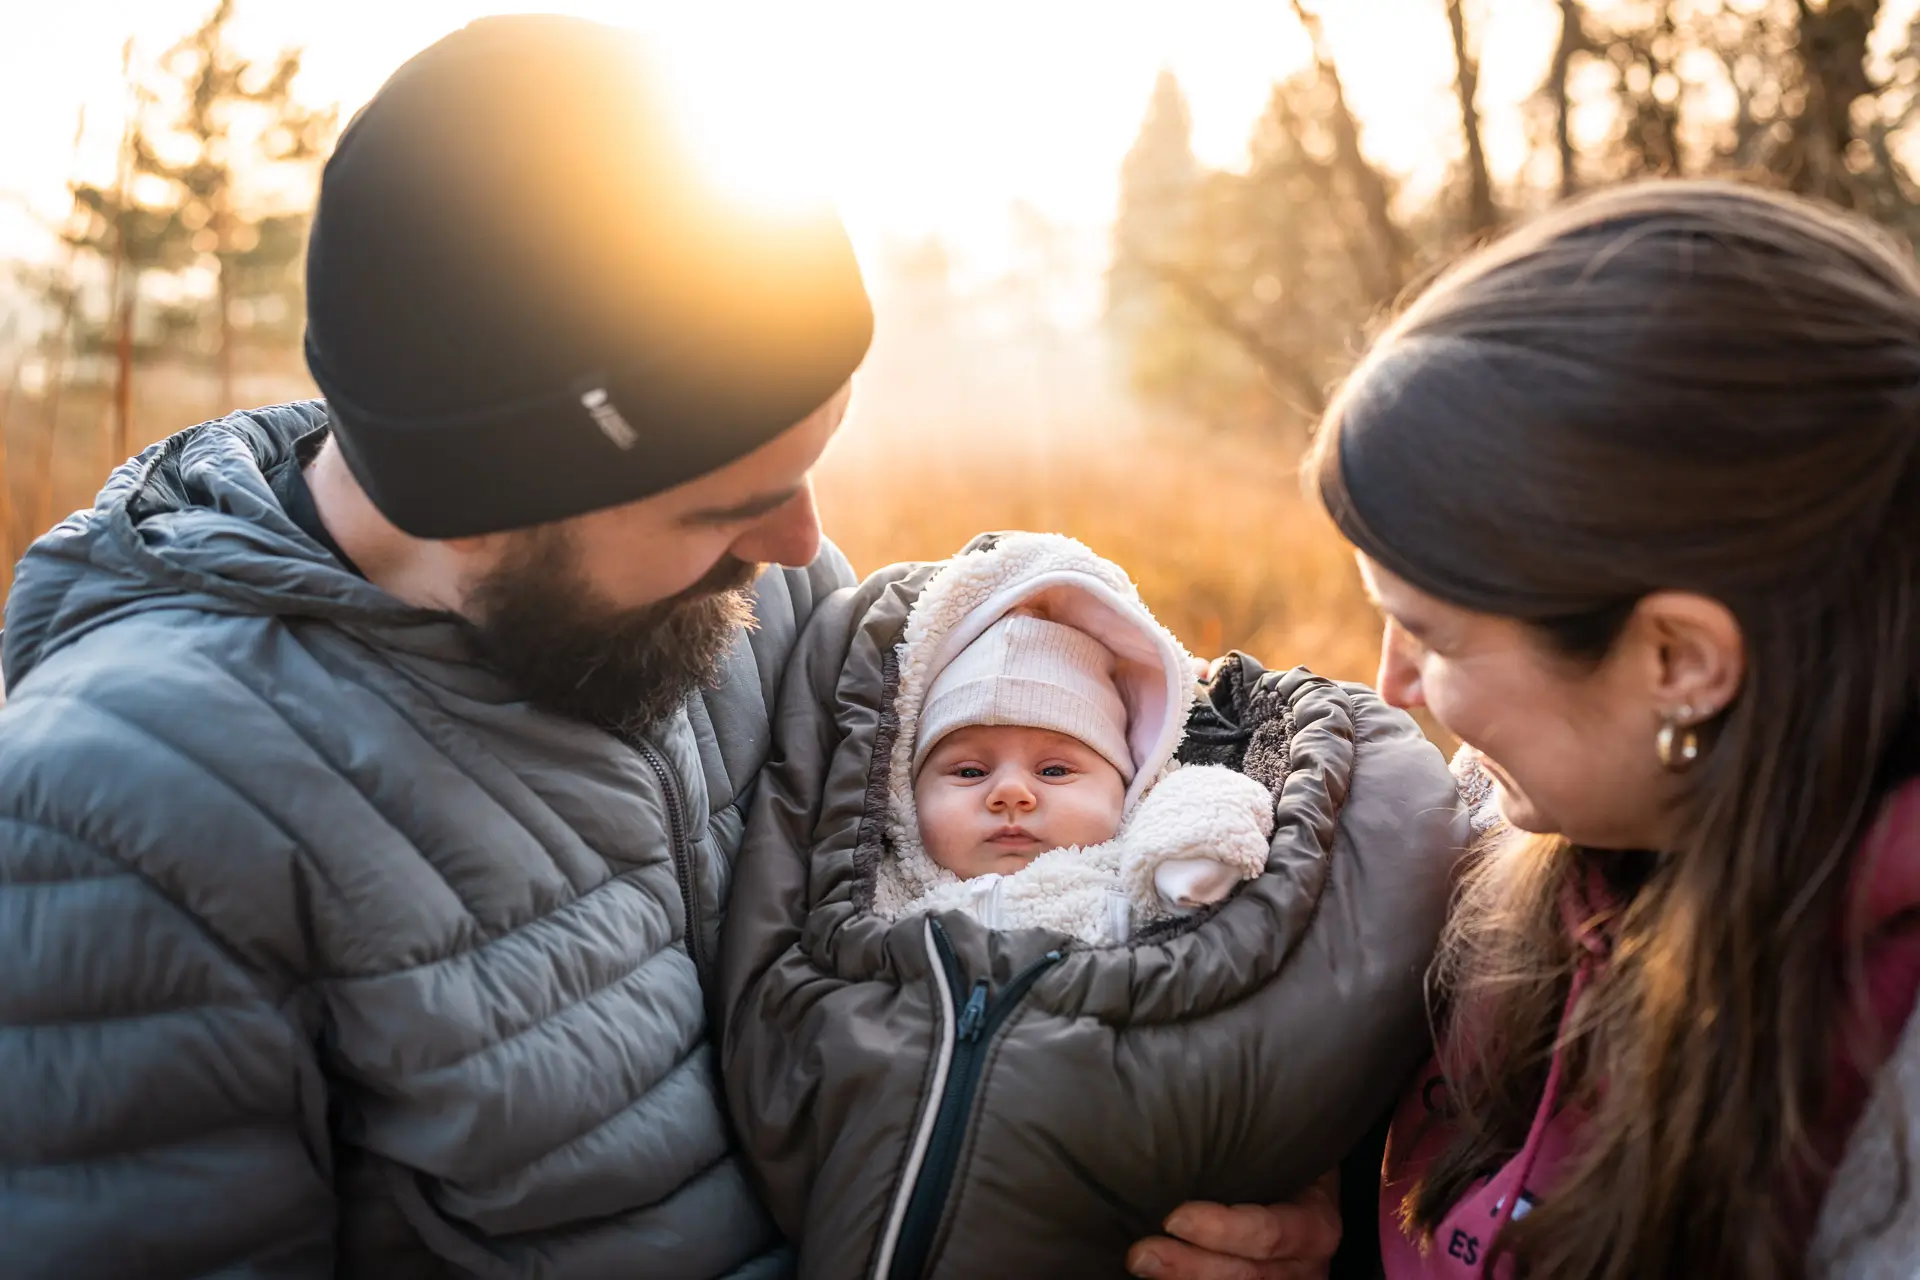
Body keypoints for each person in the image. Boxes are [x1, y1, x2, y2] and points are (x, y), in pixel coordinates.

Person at [0, 16, 1361, 1278]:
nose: (801, 541)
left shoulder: (747, 593)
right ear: (485, 502)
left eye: (815, 459)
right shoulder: (126, 818)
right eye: (724, 502)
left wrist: (1250, 1207)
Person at [1305, 179, 1920, 1278]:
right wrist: (1337, 1226)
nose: (1392, 683)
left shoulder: (1893, 1079)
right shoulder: (1515, 823)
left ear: (1677, 661)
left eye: (1429, 633)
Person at [719, 531, 1464, 1277]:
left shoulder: (1132, 876)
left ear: (1129, 787)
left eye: (1056, 767)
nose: (1011, 792)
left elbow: (1215, 812)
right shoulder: (893, 890)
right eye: (968, 768)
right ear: (904, 801)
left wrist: (1192, 855)